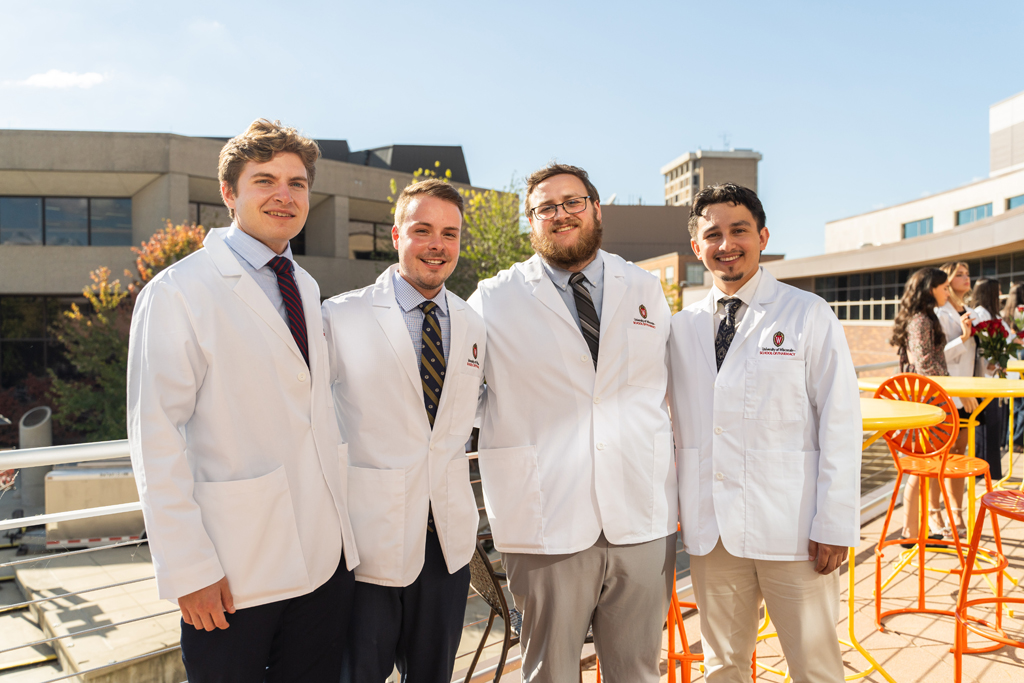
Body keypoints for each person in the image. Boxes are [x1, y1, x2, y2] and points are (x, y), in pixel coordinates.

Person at [127, 119, 359, 683]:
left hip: (324, 561)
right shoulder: (179, 291)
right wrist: (188, 570)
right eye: (265, 180)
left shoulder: (303, 284)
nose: (285, 194)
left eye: (297, 183)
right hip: (233, 571)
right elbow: (155, 437)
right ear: (229, 194)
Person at [468, 163, 676, 683]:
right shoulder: (494, 299)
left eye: (572, 201)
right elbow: (459, 400)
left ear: (596, 208)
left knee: (637, 671)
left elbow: (669, 391)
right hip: (545, 522)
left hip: (639, 515)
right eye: (545, 207)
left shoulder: (646, 288)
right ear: (530, 222)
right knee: (549, 674)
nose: (560, 214)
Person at [668, 183, 861, 683]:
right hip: (713, 535)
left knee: (815, 667)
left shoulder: (807, 313)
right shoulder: (681, 328)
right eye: (713, 234)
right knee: (722, 667)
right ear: (697, 247)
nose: (726, 244)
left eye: (739, 231)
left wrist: (834, 522)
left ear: (763, 237)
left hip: (794, 529)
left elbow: (840, 421)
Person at [322, 179, 484, 683]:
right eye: (423, 230)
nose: (438, 244)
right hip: (371, 542)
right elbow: (312, 422)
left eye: (450, 233)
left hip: (447, 544)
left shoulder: (472, 322)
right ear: (396, 234)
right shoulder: (340, 316)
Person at [890, 267, 958, 541]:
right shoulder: (921, 321)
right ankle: (909, 532)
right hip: (924, 405)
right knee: (919, 467)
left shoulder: (923, 318)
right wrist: (949, 395)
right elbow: (926, 365)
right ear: (931, 289)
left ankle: (913, 530)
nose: (947, 292)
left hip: (926, 403)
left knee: (922, 467)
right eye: (944, 287)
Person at [933, 262, 979, 538]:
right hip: (949, 394)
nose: (965, 278)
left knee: (959, 456)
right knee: (940, 457)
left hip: (969, 394)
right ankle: (936, 514)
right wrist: (963, 337)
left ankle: (957, 513)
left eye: (967, 274)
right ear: (946, 282)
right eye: (958, 274)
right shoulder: (939, 313)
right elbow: (938, 358)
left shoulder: (972, 312)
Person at [970, 277, 1010, 480]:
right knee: (986, 426)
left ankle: (993, 471)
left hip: (995, 377)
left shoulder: (995, 314)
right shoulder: (979, 314)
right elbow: (980, 346)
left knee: (995, 425)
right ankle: (984, 471)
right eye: (998, 289)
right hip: (984, 377)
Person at [1001, 283, 1024, 451]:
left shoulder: (1006, 312)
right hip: (1021, 353)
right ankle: (1017, 440)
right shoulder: (1021, 310)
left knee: (1015, 402)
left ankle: (1010, 439)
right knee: (1022, 401)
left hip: (1011, 357)